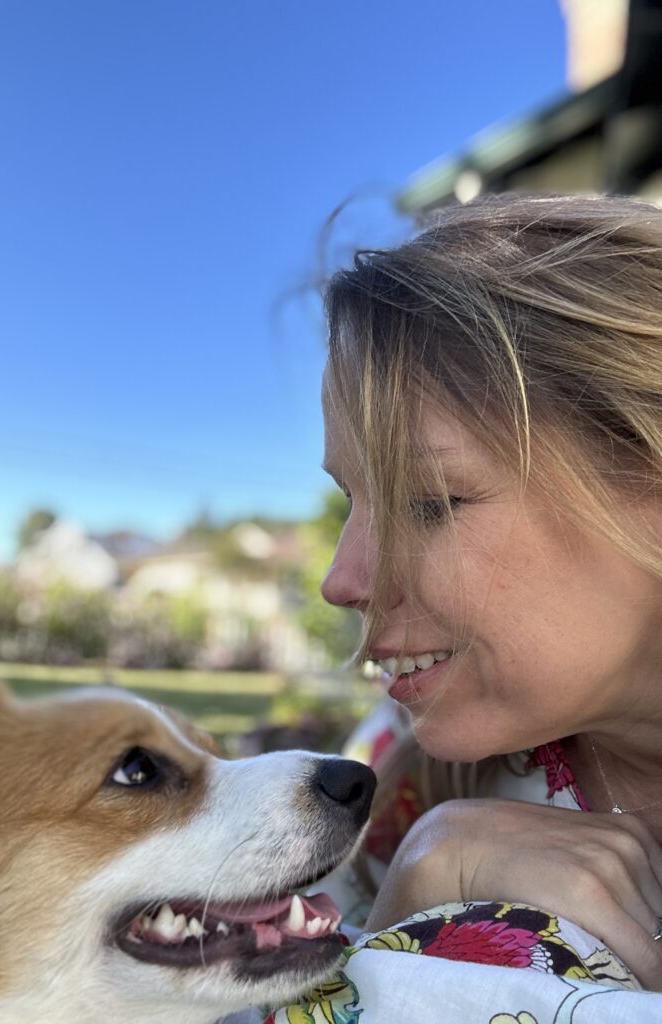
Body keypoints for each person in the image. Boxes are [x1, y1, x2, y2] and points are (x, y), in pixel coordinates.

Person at [270, 193, 662, 1023]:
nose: (341, 580)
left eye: (429, 501)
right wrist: (415, 893)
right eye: (351, 499)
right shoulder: (394, 771)